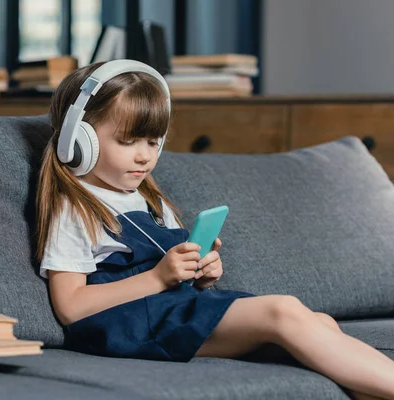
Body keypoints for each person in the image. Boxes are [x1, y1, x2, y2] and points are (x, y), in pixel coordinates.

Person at [35, 59, 394, 400]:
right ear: (78, 141)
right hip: (127, 327)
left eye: (153, 142)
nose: (145, 156)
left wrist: (199, 272)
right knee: (282, 311)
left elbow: (173, 278)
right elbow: (71, 307)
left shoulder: (149, 199)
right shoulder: (75, 206)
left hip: (171, 311)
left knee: (319, 323)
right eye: (127, 142)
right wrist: (159, 278)